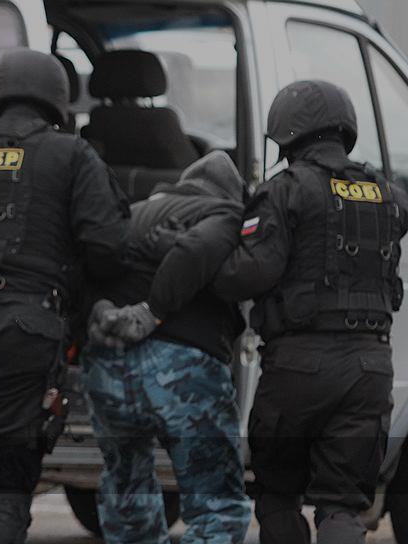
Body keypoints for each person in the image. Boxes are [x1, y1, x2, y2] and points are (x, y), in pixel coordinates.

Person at [0, 48, 130, 543]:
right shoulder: (72, 155)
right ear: (57, 98)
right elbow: (108, 248)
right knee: (7, 481)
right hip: (25, 329)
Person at [211, 80, 408, 544]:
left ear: (287, 133)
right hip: (370, 368)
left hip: (299, 367)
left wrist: (205, 267)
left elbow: (253, 273)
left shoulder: (285, 191)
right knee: (342, 505)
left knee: (278, 496)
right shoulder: (388, 194)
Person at [86, 151, 252, 543]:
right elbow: (195, 249)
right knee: (216, 506)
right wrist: (153, 310)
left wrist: (100, 310)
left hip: (109, 370)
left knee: (127, 491)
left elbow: (88, 264)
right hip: (183, 370)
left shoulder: (134, 213)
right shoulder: (225, 212)